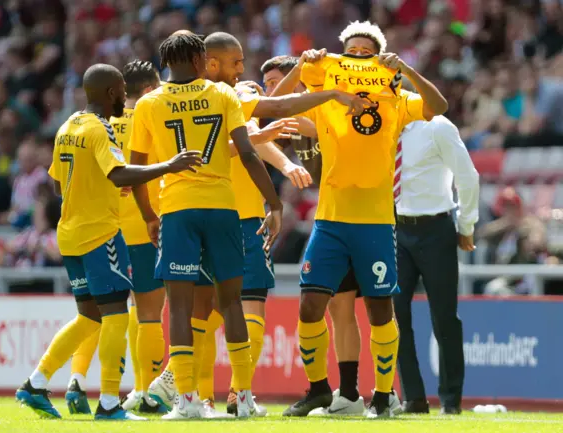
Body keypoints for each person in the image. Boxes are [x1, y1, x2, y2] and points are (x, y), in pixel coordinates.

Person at [147, 30, 368, 416]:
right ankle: (220, 392)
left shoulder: (181, 99)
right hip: (234, 213)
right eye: (237, 64)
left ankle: (201, 392)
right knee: (232, 305)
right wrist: (280, 173)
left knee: (210, 306)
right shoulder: (227, 95)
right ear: (210, 62)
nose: (242, 71)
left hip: (191, 211)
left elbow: (254, 133)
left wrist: (283, 162)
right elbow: (267, 117)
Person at [14, 63, 202, 422]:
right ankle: (110, 404)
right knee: (117, 314)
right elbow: (118, 174)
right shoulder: (100, 130)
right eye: (119, 91)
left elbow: (58, 183)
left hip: (69, 234)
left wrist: (94, 185)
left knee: (89, 317)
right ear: (111, 91)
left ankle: (36, 383)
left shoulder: (68, 125)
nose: (123, 97)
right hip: (100, 233)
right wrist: (169, 166)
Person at [280, 21, 448, 418]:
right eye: (350, 51)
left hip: (375, 223)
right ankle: (320, 390)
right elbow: (273, 101)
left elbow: (439, 107)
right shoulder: (325, 95)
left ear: (378, 58)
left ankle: (385, 397)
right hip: (330, 220)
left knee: (379, 312)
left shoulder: (396, 96)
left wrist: (405, 70)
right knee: (308, 307)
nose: (356, 57)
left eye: (364, 52)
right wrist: (301, 65)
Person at [130, 31, 283, 420]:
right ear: (201, 60)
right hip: (222, 209)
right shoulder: (223, 96)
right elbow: (248, 154)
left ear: (166, 62)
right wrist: (274, 202)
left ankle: (186, 401)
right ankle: (243, 397)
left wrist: (149, 216)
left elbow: (136, 170)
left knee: (179, 309)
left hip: (178, 211)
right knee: (231, 302)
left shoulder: (149, 104)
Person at [259, 54, 370, 416]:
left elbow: (299, 117)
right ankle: (327, 390)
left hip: (361, 216)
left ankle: (363, 393)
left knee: (355, 309)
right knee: (318, 304)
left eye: (275, 83)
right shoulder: (298, 116)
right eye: (267, 85)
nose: (270, 91)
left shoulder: (326, 106)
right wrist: (287, 164)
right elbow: (262, 131)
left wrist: (298, 75)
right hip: (331, 219)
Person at [394, 114, 479, 415]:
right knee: (394, 315)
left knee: (444, 317)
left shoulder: (438, 126)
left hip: (436, 230)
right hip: (396, 228)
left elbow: (467, 176)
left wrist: (466, 225)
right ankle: (413, 397)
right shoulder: (382, 125)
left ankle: (450, 401)